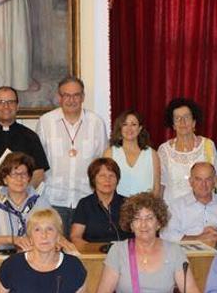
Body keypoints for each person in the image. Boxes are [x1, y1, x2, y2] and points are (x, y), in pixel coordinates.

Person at [95, 192, 202, 293]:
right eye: (137, 219)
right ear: (131, 224)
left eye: (149, 218)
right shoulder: (118, 251)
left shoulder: (174, 251)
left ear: (159, 223)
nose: (143, 225)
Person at [36, 76, 107, 234]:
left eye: (76, 95)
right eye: (66, 95)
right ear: (59, 97)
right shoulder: (45, 122)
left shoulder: (96, 123)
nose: (71, 100)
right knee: (54, 250)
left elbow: (102, 163)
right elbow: (38, 163)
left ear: (83, 97)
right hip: (53, 199)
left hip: (86, 200)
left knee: (83, 252)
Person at [0, 209, 91, 293]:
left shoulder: (73, 265)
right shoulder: (12, 265)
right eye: (37, 230)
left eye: (50, 229)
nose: (44, 235)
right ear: (30, 237)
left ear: (58, 236)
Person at [0, 86, 49, 223]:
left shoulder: (30, 137)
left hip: (25, 207)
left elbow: (39, 174)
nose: (6, 106)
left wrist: (21, 199)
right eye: (1, 102)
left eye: (10, 101)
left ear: (17, 105)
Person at [0, 152, 53, 248]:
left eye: (24, 174)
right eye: (14, 174)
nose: (19, 179)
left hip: (36, 258)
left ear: (29, 177)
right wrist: (12, 239)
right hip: (3, 259)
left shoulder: (42, 203)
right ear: (5, 179)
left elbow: (54, 233)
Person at [161, 162, 217, 246]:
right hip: (189, 254)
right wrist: (198, 239)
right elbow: (167, 235)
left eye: (208, 179)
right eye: (198, 179)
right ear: (191, 182)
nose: (203, 184)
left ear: (214, 181)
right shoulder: (177, 206)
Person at [157, 98, 216, 205]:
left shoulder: (208, 145)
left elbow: (215, 181)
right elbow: (161, 185)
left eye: (186, 117)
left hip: (202, 207)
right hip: (172, 208)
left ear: (194, 122)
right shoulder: (164, 150)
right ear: (173, 125)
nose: (182, 122)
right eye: (177, 118)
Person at [70, 158, 133, 247]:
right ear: (93, 179)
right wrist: (93, 251)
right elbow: (75, 236)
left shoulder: (128, 204)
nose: (107, 180)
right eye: (102, 176)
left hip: (124, 255)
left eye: (111, 175)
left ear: (117, 179)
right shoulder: (84, 204)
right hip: (94, 255)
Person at [102, 110, 160, 197]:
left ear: (140, 128)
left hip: (145, 208)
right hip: (117, 208)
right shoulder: (110, 153)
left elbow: (156, 189)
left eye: (133, 124)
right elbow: (104, 185)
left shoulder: (152, 154)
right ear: (120, 128)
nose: (129, 128)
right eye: (125, 124)